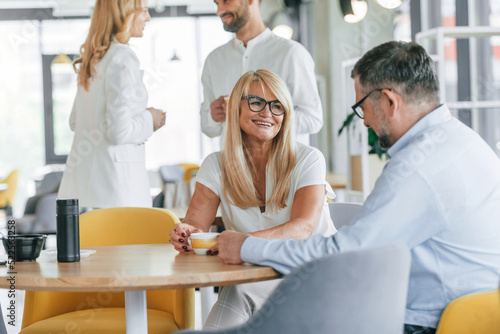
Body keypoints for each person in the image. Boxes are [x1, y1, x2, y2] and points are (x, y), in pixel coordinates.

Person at [215, 41, 500, 334]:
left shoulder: (417, 167)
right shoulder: (464, 141)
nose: (364, 123)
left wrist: (247, 246)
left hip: (427, 323)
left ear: (389, 101)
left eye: (362, 107)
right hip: (471, 311)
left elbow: (347, 256)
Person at [170, 69, 336, 329]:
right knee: (237, 290)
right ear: (236, 108)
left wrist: (243, 243)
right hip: (256, 272)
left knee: (238, 291)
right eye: (257, 102)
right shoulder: (216, 165)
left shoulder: (308, 158)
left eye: (277, 106)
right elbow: (195, 222)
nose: (267, 113)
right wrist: (187, 232)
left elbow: (303, 228)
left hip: (313, 272)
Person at [58, 0, 165, 208]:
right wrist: (150, 119)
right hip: (118, 189)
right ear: (124, 14)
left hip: (88, 188)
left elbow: (75, 122)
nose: (148, 17)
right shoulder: (123, 57)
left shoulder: (93, 59)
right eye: (143, 11)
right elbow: (119, 132)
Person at [200, 0, 323, 145]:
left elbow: (313, 119)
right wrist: (214, 116)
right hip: (232, 166)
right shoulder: (214, 60)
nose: (219, 11)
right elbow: (207, 127)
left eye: (226, 1)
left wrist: (261, 114)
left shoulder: (292, 53)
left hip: (283, 166)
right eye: (217, 3)